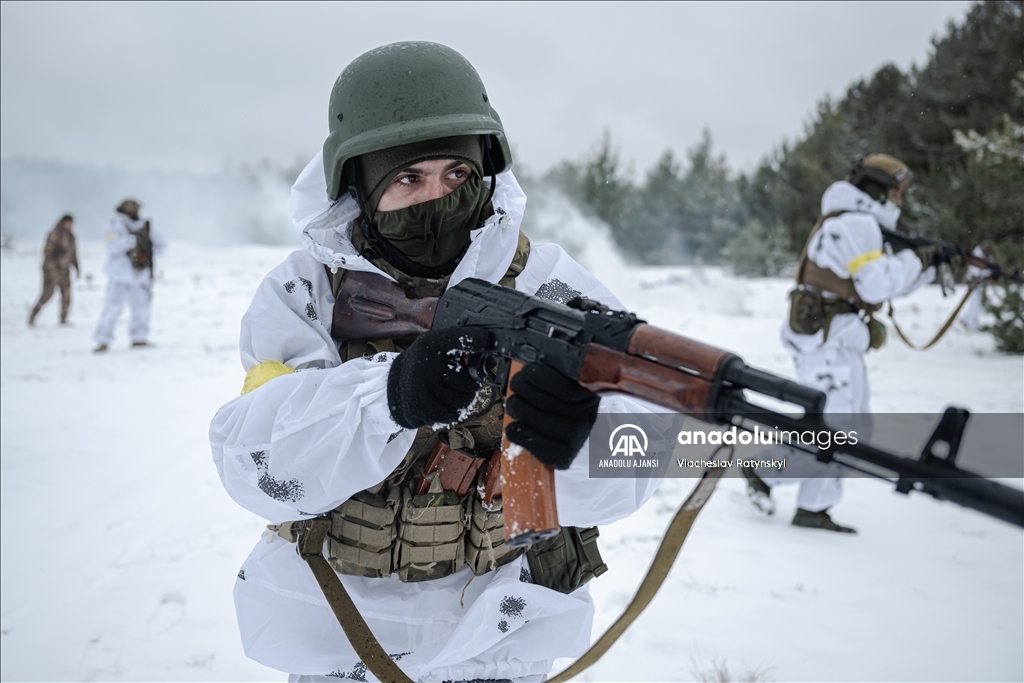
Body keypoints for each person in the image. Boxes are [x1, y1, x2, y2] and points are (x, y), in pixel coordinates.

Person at [209, 42, 660, 682]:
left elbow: (637, 459)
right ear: (357, 186)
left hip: (501, 634)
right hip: (342, 635)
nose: (438, 199)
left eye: (457, 174)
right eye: (407, 178)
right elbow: (256, 463)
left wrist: (579, 438)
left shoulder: (543, 281)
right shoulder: (307, 291)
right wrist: (390, 395)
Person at [742, 154, 937, 533]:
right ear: (876, 189)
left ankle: (811, 505)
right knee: (841, 430)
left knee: (852, 428)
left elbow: (878, 285)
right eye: (895, 192)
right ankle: (766, 472)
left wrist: (929, 267)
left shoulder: (851, 221)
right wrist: (918, 261)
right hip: (828, 344)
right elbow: (877, 284)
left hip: (835, 341)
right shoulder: (856, 224)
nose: (900, 200)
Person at [92, 198, 166, 352]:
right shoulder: (114, 226)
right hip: (120, 274)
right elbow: (111, 246)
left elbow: (161, 246)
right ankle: (103, 340)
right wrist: (132, 244)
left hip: (141, 274)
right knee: (112, 308)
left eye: (136, 208)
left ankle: (139, 338)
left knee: (142, 309)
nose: (134, 211)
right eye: (131, 208)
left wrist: (146, 254)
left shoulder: (146, 226)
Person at [28, 214, 79, 326]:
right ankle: (33, 315)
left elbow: (73, 254)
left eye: (71, 223)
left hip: (65, 270)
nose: (70, 225)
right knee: (47, 294)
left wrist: (77, 267)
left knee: (67, 295)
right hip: (52, 270)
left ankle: (63, 319)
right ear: (63, 222)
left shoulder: (71, 236)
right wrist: (52, 269)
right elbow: (47, 252)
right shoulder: (54, 234)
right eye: (68, 223)